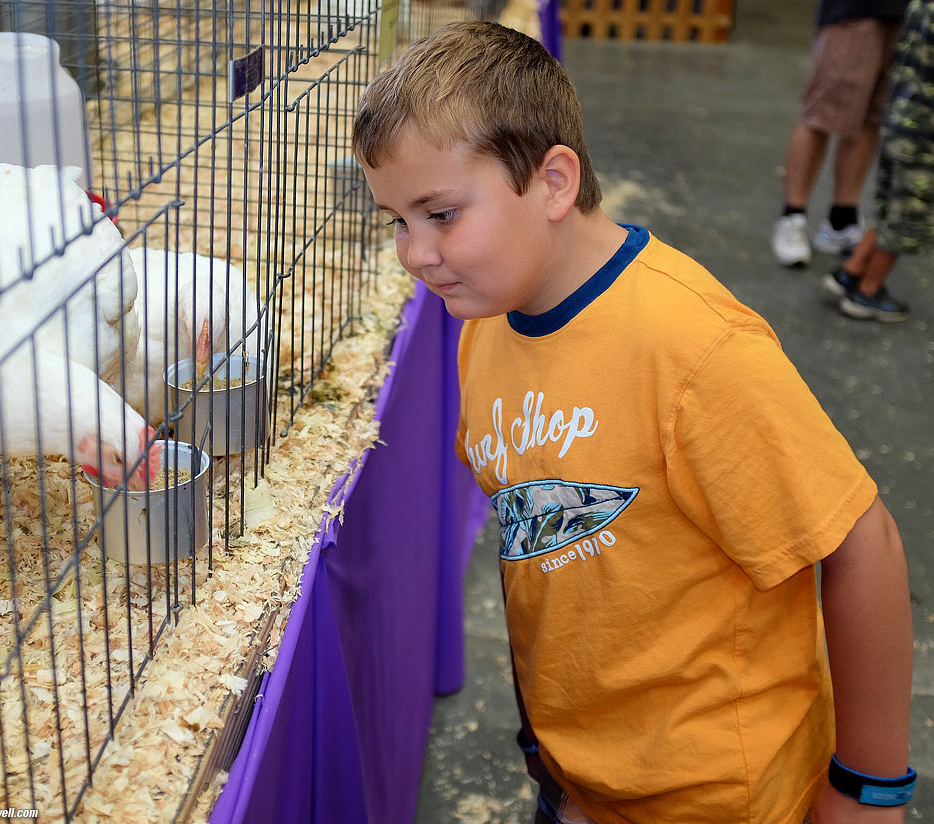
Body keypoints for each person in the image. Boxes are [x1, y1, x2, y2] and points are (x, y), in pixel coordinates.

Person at [353, 21, 915, 824]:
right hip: (581, 780)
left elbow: (862, 541)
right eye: (396, 221)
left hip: (718, 798)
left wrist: (868, 788)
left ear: (552, 183)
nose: (413, 251)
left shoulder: (695, 349)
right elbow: (538, 548)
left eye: (440, 213)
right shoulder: (484, 328)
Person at [772, 0, 906, 267]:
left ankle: (841, 219)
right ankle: (793, 216)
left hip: (905, 12)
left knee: (871, 115)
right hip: (854, 12)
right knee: (822, 114)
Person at [824, 0, 934, 322]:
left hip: (900, 115)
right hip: (925, 130)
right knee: (908, 216)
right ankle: (868, 291)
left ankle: (852, 270)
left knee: (889, 206)